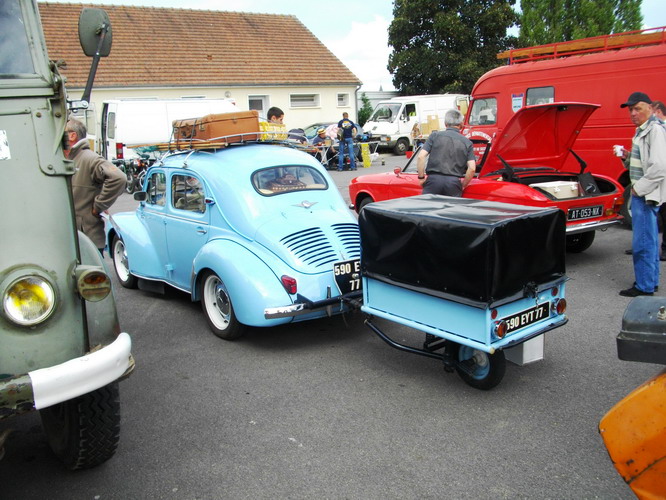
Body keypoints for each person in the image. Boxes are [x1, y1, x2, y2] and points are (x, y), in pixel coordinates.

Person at [617, 92, 666, 297]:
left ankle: (644, 287)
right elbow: (643, 163)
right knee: (650, 241)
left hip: (645, 195)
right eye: (630, 110)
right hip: (645, 194)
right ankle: (650, 282)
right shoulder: (641, 131)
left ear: (650, 108)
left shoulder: (654, 130)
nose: (633, 113)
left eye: (637, 108)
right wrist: (627, 157)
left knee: (643, 243)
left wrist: (638, 189)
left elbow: (660, 167)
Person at [65, 119, 127, 254]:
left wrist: (99, 205)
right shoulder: (68, 159)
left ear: (72, 135)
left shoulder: (88, 158)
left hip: (87, 239)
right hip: (71, 240)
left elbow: (119, 178)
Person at [415, 109, 476, 197]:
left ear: (445, 123)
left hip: (433, 181)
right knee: (450, 210)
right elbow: (472, 168)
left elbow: (421, 157)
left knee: (429, 209)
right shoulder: (467, 143)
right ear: (461, 124)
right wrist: (463, 185)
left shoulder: (434, 136)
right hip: (453, 184)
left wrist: (421, 178)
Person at [653, 101, 666, 260]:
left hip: (663, 179)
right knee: (654, 216)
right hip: (656, 182)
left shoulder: (661, 129)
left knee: (664, 214)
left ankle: (665, 248)